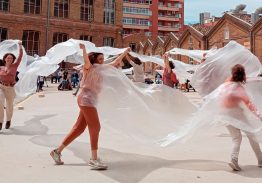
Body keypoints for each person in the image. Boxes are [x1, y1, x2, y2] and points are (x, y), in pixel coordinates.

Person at [50, 44, 130, 170]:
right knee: (95, 127)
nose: (102, 61)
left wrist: (125, 52)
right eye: (100, 59)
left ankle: (57, 151)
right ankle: (93, 159)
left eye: (103, 59)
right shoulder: (89, 67)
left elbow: (115, 62)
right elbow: (86, 61)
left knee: (79, 128)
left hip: (91, 100)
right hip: (86, 99)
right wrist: (84, 50)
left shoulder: (102, 68)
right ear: (94, 60)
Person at [222, 64, 262, 171]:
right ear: (242, 75)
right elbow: (249, 105)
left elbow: (240, 79)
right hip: (237, 116)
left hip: (225, 116)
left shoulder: (227, 82)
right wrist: (260, 116)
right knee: (252, 136)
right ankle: (261, 160)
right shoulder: (239, 89)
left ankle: (233, 160)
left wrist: (253, 78)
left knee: (236, 138)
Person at [0, 41, 23, 130]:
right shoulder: (1, 67)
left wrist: (20, 46)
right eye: (7, 58)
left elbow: (20, 57)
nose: (9, 59)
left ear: (13, 59)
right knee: (0, 103)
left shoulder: (15, 66)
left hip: (10, 88)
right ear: (4, 59)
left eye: (11, 58)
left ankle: (8, 120)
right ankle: (0, 122)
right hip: (1, 87)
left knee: (9, 105)